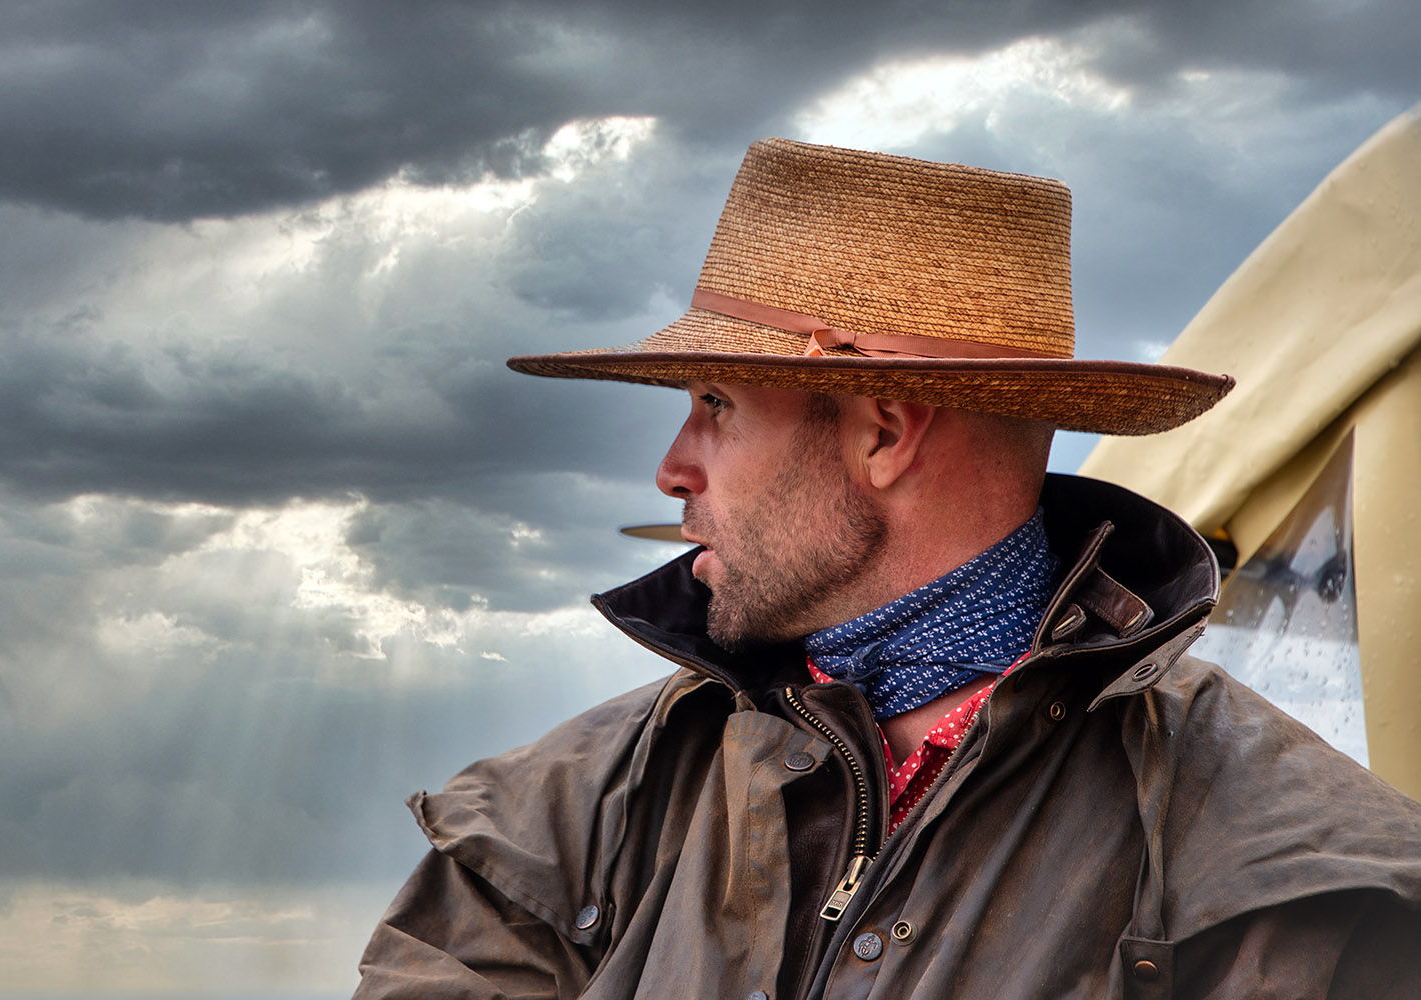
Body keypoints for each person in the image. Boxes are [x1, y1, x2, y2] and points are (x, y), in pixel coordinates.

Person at [353, 139, 1421, 999]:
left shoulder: (1297, 864)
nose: (672, 469)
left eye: (715, 407)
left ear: (883, 431)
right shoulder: (570, 808)